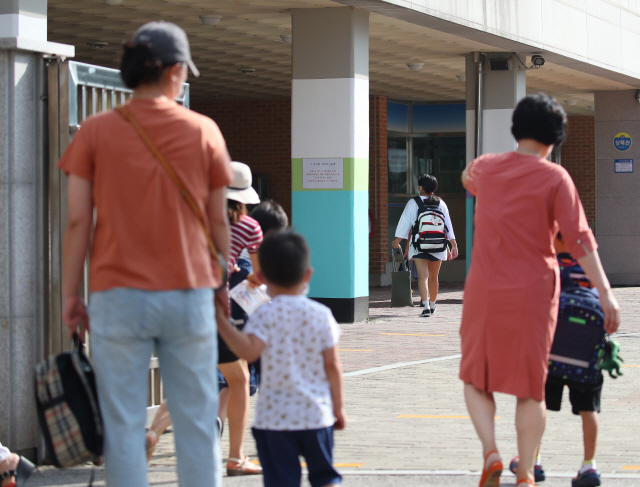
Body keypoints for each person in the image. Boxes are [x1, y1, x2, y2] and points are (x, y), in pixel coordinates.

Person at [59, 21, 233, 487]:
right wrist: (221, 278)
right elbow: (220, 221)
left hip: (117, 296)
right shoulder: (204, 131)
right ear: (175, 72)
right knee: (196, 422)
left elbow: (78, 220)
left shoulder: (94, 132)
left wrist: (71, 295)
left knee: (121, 427)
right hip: (190, 292)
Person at [459, 93, 620, 487]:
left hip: (485, 288)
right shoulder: (555, 178)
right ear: (556, 138)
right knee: (531, 387)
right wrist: (605, 292)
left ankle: (491, 453)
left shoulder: (487, 168)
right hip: (534, 291)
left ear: (516, 129)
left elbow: (467, 178)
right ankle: (527, 474)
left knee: (475, 377)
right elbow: (579, 238)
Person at [217, 230, 346, 487]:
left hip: (274, 420)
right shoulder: (321, 314)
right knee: (325, 476)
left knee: (281, 481)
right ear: (308, 274)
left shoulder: (263, 314)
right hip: (316, 415)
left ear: (262, 277)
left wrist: (222, 324)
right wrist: (338, 407)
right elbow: (333, 366)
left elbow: (249, 352)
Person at [509, 232, 606, 487]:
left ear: (558, 239)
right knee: (589, 409)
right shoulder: (591, 269)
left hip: (549, 355)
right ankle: (589, 467)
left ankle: (534, 462)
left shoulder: (549, 266)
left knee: (538, 403)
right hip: (585, 357)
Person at [218, 200, 289, 439]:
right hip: (232, 327)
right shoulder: (250, 235)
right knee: (237, 380)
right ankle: (234, 450)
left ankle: (155, 431)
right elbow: (259, 282)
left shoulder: (212, 224)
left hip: (194, 307)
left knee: (215, 382)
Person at [392, 174, 458, 317]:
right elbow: (448, 226)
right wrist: (453, 244)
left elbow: (405, 223)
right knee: (434, 276)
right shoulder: (441, 203)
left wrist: (397, 241)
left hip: (419, 243)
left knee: (423, 276)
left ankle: (426, 307)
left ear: (420, 187)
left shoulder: (413, 203)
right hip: (438, 244)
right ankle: (433, 305)